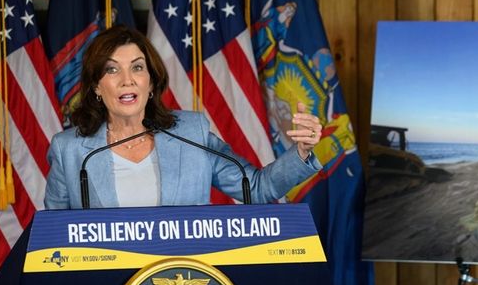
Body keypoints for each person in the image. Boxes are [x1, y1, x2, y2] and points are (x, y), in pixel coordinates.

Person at [44, 25, 322, 209]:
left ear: (151, 82)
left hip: (182, 284)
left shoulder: (191, 133)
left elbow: (259, 188)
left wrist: (301, 151)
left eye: (138, 68)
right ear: (96, 86)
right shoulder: (69, 150)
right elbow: (54, 235)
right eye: (112, 70)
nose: (127, 80)